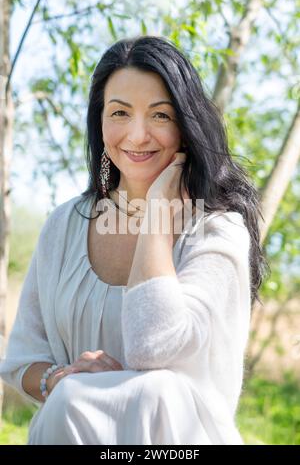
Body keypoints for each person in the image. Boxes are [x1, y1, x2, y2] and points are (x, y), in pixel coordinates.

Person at [0, 35, 268, 445]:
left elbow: (152, 346)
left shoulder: (217, 230)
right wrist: (62, 378)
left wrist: (159, 211)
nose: (138, 135)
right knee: (71, 397)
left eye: (160, 116)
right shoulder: (64, 226)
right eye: (120, 112)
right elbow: (21, 365)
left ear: (185, 125)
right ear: (100, 121)